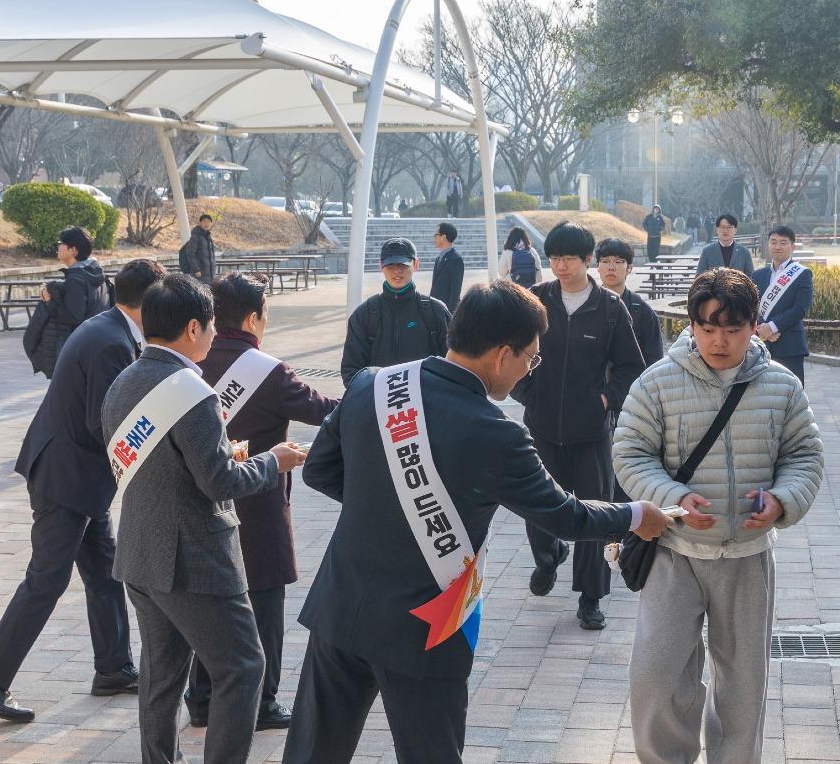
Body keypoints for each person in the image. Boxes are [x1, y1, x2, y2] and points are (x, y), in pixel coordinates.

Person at [282, 280, 670, 764]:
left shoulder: (372, 384)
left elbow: (318, 471)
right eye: (531, 357)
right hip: (427, 626)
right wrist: (635, 514)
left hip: (340, 609)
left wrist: (381, 504)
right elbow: (565, 516)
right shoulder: (497, 433)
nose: (531, 367)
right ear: (502, 355)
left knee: (312, 753)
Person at [616, 267, 824, 764]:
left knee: (743, 682)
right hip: (674, 554)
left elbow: (804, 455)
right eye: (707, 327)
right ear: (690, 325)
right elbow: (629, 453)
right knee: (657, 674)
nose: (719, 340)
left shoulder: (782, 386)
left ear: (754, 326)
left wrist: (782, 500)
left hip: (748, 557)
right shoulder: (658, 383)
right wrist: (671, 497)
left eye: (732, 329)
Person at [102, 274, 307, 764]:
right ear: (193, 327)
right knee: (242, 667)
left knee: (161, 676)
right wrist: (271, 461)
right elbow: (220, 484)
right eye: (212, 325)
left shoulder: (124, 380)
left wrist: (222, 455)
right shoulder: (192, 391)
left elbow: (162, 461)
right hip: (194, 559)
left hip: (139, 550)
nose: (215, 335)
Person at [0, 260, 164, 724]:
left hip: (78, 477)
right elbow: (106, 422)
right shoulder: (112, 342)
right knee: (46, 580)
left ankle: (112, 668)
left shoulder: (109, 328)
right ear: (150, 302)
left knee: (106, 573)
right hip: (66, 478)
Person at [183, 273, 338, 731]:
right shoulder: (267, 370)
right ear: (253, 317)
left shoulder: (189, 362)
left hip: (200, 503)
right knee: (264, 604)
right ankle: (263, 702)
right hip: (258, 508)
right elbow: (324, 410)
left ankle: (203, 697)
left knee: (212, 605)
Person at [512, 222, 646, 630]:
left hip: (591, 431)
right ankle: (548, 558)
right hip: (541, 425)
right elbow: (511, 353)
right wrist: (528, 394)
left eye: (569, 258)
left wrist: (604, 399)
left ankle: (591, 597)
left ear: (588, 260)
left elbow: (631, 368)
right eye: (553, 258)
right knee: (537, 505)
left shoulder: (608, 308)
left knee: (597, 511)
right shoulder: (534, 300)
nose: (560, 266)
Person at [340, 238, 451, 385]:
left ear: (416, 264)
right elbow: (351, 371)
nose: (397, 270)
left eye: (403, 264)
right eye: (390, 265)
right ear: (381, 266)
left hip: (426, 403)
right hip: (379, 402)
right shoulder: (364, 314)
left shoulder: (436, 311)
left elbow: (453, 366)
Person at [27, 226, 111, 378]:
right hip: (95, 343)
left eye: (61, 243)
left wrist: (48, 302)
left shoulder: (76, 280)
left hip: (79, 349)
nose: (58, 247)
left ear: (73, 250)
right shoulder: (94, 272)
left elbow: (73, 316)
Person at [750, 225, 814, 382]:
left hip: (790, 346)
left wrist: (771, 327)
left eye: (783, 242)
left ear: (793, 246)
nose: (777, 247)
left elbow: (800, 309)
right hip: (760, 344)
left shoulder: (802, 274)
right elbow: (750, 307)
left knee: (793, 396)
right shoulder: (758, 275)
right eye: (773, 242)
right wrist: (762, 328)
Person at [597, 237, 665, 367]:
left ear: (629, 268)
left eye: (618, 262)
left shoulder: (644, 312)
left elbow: (654, 363)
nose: (611, 267)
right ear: (598, 267)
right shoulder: (586, 304)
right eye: (605, 261)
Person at [430, 221, 465, 312]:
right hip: (435, 307)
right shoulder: (438, 258)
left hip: (446, 311)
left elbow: (455, 291)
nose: (434, 238)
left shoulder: (456, 259)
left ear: (443, 237)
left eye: (436, 235)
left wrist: (449, 313)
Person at [179, 213, 217, 286]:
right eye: (204, 221)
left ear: (211, 223)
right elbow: (190, 254)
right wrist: (196, 270)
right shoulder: (195, 237)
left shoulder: (208, 238)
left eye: (208, 222)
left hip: (209, 274)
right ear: (200, 223)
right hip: (199, 275)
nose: (206, 224)